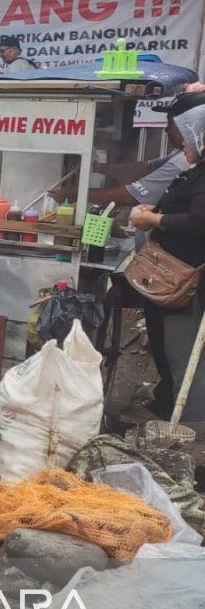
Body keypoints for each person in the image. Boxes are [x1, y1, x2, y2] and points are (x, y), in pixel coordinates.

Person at [128, 92, 205, 422]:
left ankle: (188, 420)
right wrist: (155, 211)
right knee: (165, 342)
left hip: (186, 278)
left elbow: (199, 221)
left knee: (182, 349)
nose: (180, 144)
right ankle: (170, 401)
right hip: (169, 275)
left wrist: (154, 220)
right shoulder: (195, 169)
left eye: (184, 136)